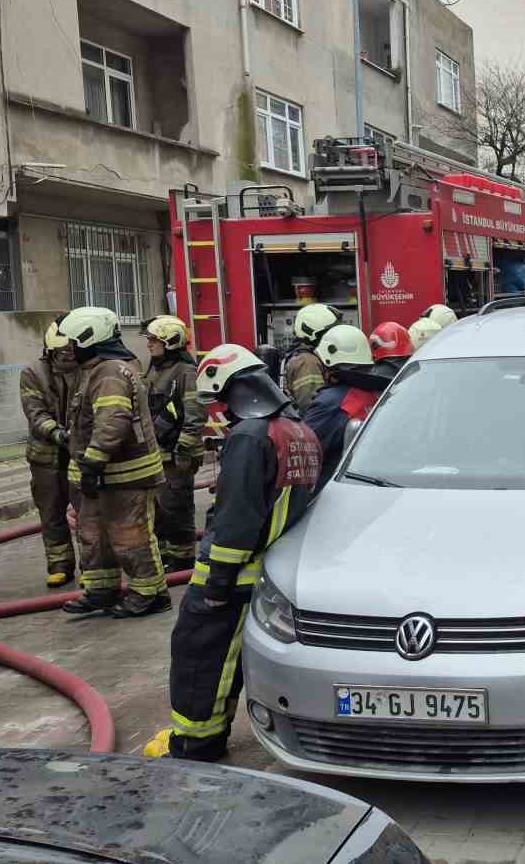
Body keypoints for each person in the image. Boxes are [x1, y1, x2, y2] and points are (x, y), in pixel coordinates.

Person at [143, 344, 323, 761]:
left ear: (231, 390)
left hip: (232, 570)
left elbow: (238, 516)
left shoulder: (249, 435)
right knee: (226, 661)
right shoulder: (298, 430)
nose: (219, 412)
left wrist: (218, 579)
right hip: (268, 568)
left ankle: (193, 742)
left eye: (219, 401)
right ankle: (205, 734)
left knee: (199, 654)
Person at [58, 306, 171, 618]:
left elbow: (113, 421)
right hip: (104, 475)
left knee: (129, 535)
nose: (68, 350)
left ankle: (150, 594)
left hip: (125, 475)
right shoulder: (95, 371)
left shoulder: (110, 372)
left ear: (88, 340)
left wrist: (93, 463)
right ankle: (101, 590)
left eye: (72, 343)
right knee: (94, 535)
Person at [141, 316, 205, 576]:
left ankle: (183, 558)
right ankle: (166, 554)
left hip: (177, 455)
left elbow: (195, 413)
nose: (149, 345)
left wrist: (183, 450)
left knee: (177, 507)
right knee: (159, 508)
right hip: (158, 453)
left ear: (169, 341)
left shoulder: (185, 371)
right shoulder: (155, 369)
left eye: (153, 340)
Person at [19, 319, 79, 588]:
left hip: (80, 451)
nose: (67, 352)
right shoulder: (33, 372)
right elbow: (34, 411)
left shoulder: (87, 368)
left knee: (86, 511)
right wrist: (56, 432)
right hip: (46, 454)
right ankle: (60, 565)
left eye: (71, 347)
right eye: (61, 349)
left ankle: (93, 566)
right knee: (52, 512)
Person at [305, 323, 397, 492]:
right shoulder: (382, 393)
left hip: (329, 495)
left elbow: (305, 455)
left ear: (328, 361)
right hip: (377, 486)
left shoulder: (330, 402)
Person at [282, 303, 341, 411]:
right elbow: (313, 408)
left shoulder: (313, 356)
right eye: (329, 332)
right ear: (312, 333)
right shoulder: (307, 363)